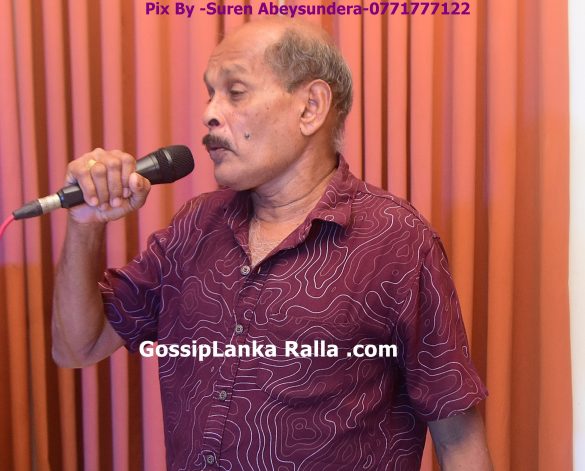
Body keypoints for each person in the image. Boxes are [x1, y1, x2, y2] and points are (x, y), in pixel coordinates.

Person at [52, 17, 493, 470]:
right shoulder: (193, 227)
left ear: (310, 108)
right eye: (210, 93)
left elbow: (458, 439)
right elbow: (76, 347)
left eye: (235, 92)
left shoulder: (396, 240)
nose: (209, 113)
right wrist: (85, 224)